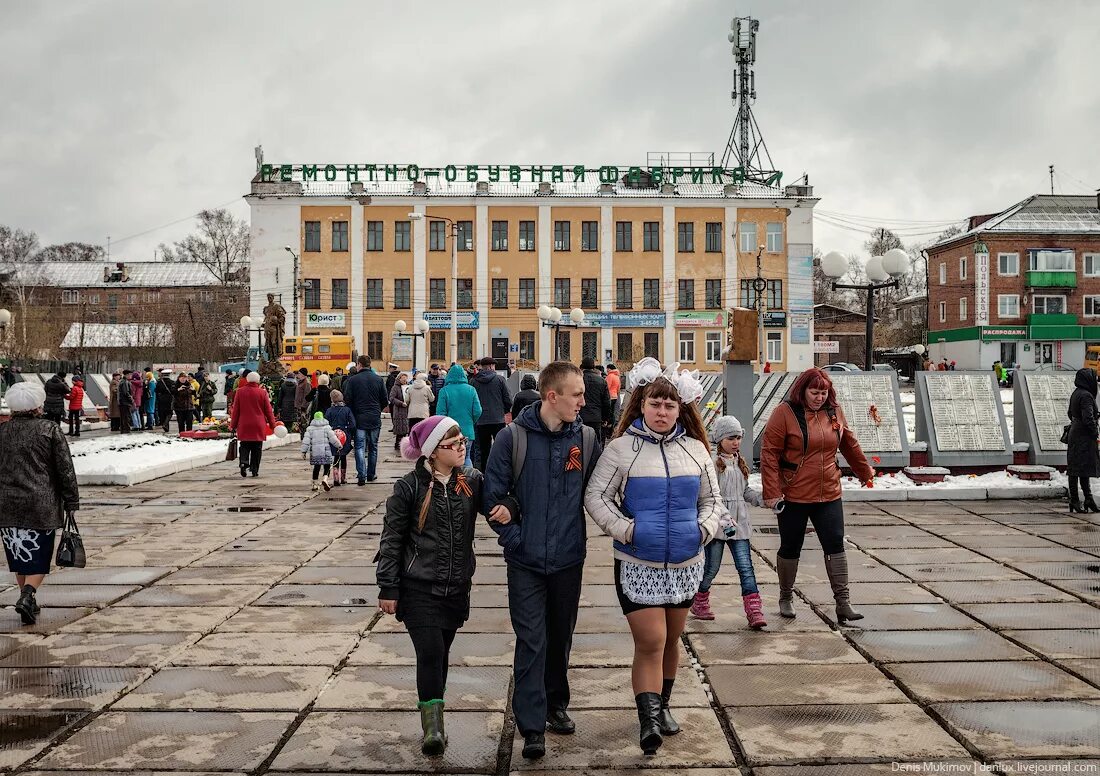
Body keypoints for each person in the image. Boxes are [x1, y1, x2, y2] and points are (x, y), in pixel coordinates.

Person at [584, 357, 722, 756]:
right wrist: (628, 530)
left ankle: (662, 707)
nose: (662, 412)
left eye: (670, 405)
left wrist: (702, 530)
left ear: (681, 409)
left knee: (672, 639)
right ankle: (648, 722)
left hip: (685, 563)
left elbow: (713, 501)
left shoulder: (696, 449)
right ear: (640, 404)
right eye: (654, 404)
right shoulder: (621, 449)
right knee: (652, 640)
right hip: (637, 563)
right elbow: (597, 497)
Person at [482, 361, 600, 760]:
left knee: (560, 636)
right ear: (553, 396)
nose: (584, 401)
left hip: (569, 559)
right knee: (531, 640)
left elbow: (598, 491)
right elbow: (493, 497)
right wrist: (515, 541)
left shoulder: (585, 438)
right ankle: (532, 726)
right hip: (526, 562)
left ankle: (556, 703)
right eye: (577, 394)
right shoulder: (510, 439)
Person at [376, 416, 488, 757]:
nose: (460, 447)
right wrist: (388, 587)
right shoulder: (409, 487)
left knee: (441, 654)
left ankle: (433, 714)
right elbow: (392, 539)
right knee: (431, 652)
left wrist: (510, 507)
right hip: (418, 588)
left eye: (461, 441)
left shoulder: (471, 481)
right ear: (433, 452)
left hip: (455, 588)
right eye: (452, 444)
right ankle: (434, 730)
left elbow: (498, 504)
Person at [760, 367, 875, 624]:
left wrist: (864, 471)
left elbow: (849, 442)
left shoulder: (833, 411)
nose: (819, 397)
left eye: (824, 392)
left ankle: (843, 603)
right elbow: (769, 454)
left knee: (835, 543)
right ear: (803, 390)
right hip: (794, 494)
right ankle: (786, 596)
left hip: (829, 492)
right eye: (814, 392)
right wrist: (772, 492)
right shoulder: (785, 413)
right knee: (791, 546)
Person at [0, 382, 80, 626]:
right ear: (37, 405)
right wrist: (71, 499)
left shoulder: (2, 431)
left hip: (6, 503)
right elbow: (64, 468)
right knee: (39, 555)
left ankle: (28, 600)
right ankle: (28, 595)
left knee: (19, 554)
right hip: (40, 502)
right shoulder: (50, 429)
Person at [691, 415, 767, 628]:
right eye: (731, 438)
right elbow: (709, 495)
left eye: (739, 438)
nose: (736, 442)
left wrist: (762, 499)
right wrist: (723, 516)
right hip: (718, 524)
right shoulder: (713, 464)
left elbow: (745, 491)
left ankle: (754, 610)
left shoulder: (740, 463)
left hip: (739, 525)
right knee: (711, 567)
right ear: (720, 439)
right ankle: (700, 600)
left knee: (745, 567)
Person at [343, 355, 390, 485]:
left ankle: (361, 475)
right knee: (373, 447)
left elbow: (348, 400)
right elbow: (384, 400)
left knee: (359, 446)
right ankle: (371, 474)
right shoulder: (379, 380)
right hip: (374, 417)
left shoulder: (353, 380)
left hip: (359, 418)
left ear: (359, 364)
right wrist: (376, 409)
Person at [229, 370, 276, 478]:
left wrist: (233, 425)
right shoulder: (262, 392)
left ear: (247, 379)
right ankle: (254, 469)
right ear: (258, 380)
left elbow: (236, 410)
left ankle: (243, 462)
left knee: (244, 445)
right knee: (257, 448)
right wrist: (273, 425)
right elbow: (268, 411)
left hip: (244, 424)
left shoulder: (240, 392)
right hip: (258, 424)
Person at [1066, 367, 1099, 513]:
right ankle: (1081, 499)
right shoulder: (1086, 396)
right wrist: (1095, 431)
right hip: (1084, 435)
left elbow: (1070, 413)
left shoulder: (1076, 393)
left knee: (1077, 467)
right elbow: (1088, 418)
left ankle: (1084, 499)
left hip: (1075, 432)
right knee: (1079, 468)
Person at [436, 364, 482, 468]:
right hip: (467, 431)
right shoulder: (471, 390)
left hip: (450, 432)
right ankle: (468, 480)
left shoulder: (444, 391)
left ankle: (453, 482)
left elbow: (440, 413)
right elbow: (478, 411)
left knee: (450, 458)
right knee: (466, 457)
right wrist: (471, 421)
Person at [472, 357, 512, 471]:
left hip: (480, 421)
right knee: (500, 447)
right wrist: (503, 411)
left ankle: (484, 473)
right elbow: (508, 399)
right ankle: (499, 470)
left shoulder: (474, 381)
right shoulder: (500, 380)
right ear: (490, 366)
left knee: (484, 450)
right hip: (498, 420)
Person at [301, 411, 341, 491]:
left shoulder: (310, 429)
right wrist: (339, 446)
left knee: (316, 467)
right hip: (325, 451)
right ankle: (325, 479)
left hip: (315, 452)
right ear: (323, 418)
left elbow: (306, 441)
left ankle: (315, 484)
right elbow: (333, 439)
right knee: (327, 466)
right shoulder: (327, 428)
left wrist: (303, 451)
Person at [325, 390, 356, 486]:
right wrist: (351, 434)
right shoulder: (347, 410)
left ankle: (335, 479)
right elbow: (353, 424)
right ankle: (343, 478)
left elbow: (326, 424)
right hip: (345, 435)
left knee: (335, 457)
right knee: (343, 457)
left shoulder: (329, 410)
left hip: (333, 435)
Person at [579, 357, 612, 441]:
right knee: (595, 442)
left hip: (580, 416)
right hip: (596, 417)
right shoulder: (601, 380)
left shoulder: (578, 380)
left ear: (582, 367)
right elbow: (606, 402)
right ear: (593, 367)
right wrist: (605, 418)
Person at [390, 373, 411, 452]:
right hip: (399, 411)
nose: (405, 380)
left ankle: (404, 445)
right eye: (403, 379)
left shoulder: (408, 387)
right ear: (399, 379)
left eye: (406, 379)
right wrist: (400, 403)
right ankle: (398, 445)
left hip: (407, 410)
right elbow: (392, 398)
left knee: (406, 428)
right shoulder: (395, 387)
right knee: (400, 430)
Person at [117, 369, 134, 434]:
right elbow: (126, 392)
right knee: (126, 417)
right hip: (125, 402)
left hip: (123, 402)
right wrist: (131, 399)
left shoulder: (123, 381)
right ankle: (126, 430)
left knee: (124, 417)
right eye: (130, 374)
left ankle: (124, 430)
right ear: (126, 375)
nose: (131, 376)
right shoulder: (125, 382)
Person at [606, 363, 622, 428]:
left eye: (607, 369)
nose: (606, 370)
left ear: (609, 369)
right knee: (612, 412)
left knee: (608, 413)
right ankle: (612, 426)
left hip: (610, 396)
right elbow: (618, 388)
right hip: (615, 396)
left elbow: (607, 386)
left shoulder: (610, 376)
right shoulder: (617, 376)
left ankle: (608, 426)